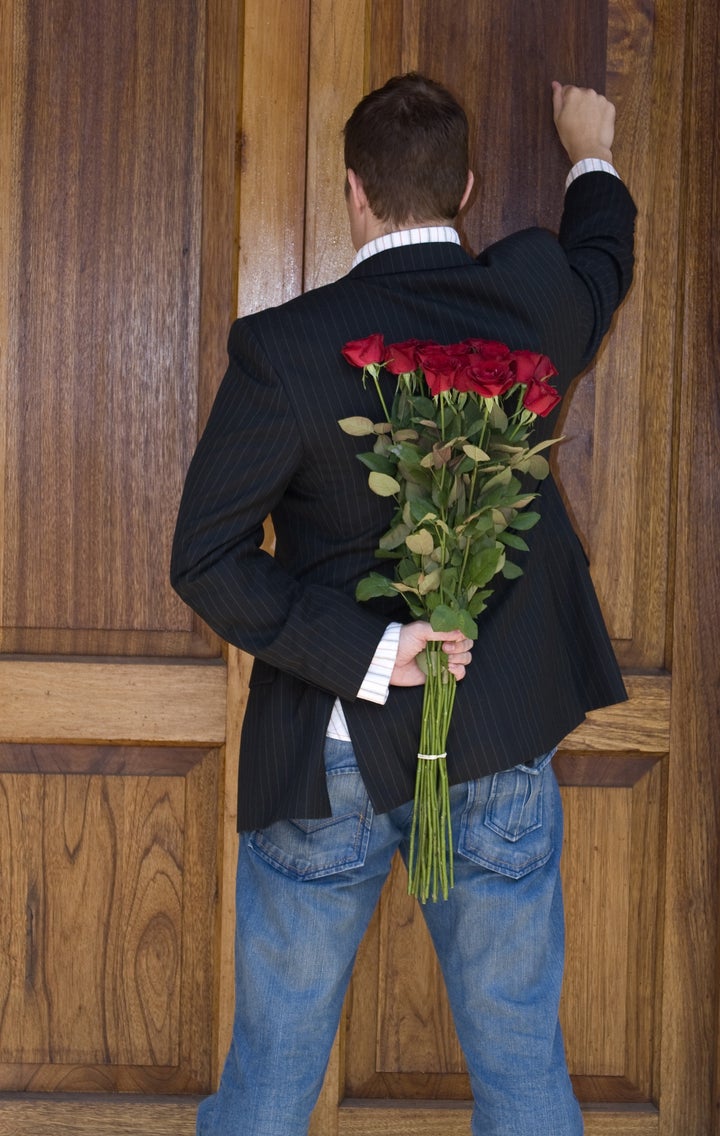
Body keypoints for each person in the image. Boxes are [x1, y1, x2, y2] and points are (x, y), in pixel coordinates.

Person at [171, 74, 636, 1136]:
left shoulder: (282, 348)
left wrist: (372, 653)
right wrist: (590, 153)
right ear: (467, 187)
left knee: (271, 1078)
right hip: (495, 740)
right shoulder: (532, 300)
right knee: (524, 1073)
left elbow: (206, 559)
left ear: (352, 192)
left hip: (326, 745)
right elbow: (601, 262)